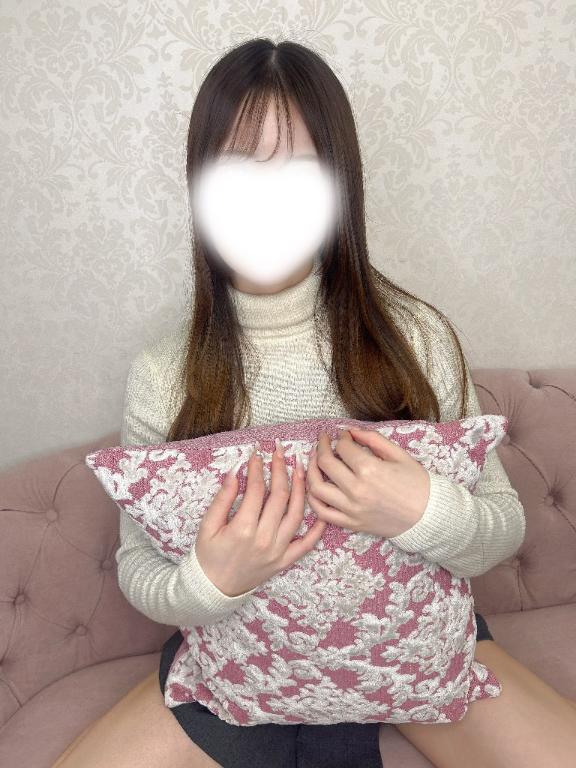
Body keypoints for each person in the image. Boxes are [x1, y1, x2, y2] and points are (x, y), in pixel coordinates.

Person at [52, 38, 576, 768]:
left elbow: (502, 529)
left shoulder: (417, 338)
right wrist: (210, 581)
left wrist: (422, 510)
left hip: (414, 659)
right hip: (233, 671)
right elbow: (140, 569)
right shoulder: (163, 374)